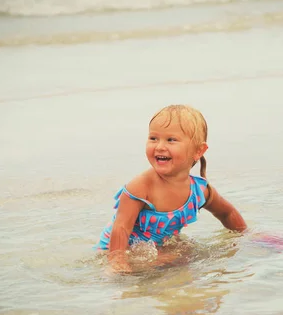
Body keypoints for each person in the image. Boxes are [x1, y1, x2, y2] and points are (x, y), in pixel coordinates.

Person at [94, 104, 247, 272]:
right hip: (118, 249)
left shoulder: (199, 190)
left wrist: (246, 237)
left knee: (194, 254)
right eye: (153, 138)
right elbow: (121, 227)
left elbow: (227, 213)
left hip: (157, 247)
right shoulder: (141, 186)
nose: (159, 146)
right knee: (181, 257)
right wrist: (118, 264)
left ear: (198, 150)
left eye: (171, 140)